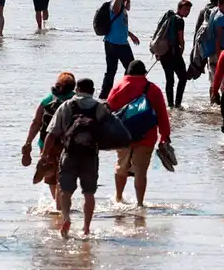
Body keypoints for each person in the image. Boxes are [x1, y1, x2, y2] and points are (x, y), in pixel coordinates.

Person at [41, 78, 110, 237]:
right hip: (90, 155)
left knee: (65, 191)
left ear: (77, 89)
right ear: (92, 90)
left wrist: (44, 155)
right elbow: (110, 132)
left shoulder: (66, 106)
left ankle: (66, 217)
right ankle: (86, 228)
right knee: (89, 193)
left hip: (70, 154)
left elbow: (51, 134)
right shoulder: (99, 107)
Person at [107, 61, 171, 208]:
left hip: (122, 136)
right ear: (144, 73)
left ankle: (118, 199)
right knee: (140, 171)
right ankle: (140, 204)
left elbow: (109, 110)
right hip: (146, 137)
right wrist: (164, 136)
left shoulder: (118, 86)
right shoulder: (153, 89)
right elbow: (162, 114)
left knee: (121, 167)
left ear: (128, 72)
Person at [21, 72, 76, 207]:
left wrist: (28, 142)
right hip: (69, 144)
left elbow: (36, 122)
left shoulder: (46, 100)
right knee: (65, 174)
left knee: (51, 177)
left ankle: (57, 203)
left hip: (46, 144)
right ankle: (61, 204)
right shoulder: (75, 101)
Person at [99, 0, 141, 99]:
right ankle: (110, 94)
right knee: (129, 69)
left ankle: (115, 93)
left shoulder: (122, 5)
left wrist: (131, 35)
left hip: (119, 42)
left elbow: (121, 24)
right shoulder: (116, 3)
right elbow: (115, 10)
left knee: (122, 69)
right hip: (115, 44)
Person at [156, 0, 192, 108]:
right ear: (179, 8)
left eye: (189, 10)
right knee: (183, 77)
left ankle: (170, 105)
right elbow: (181, 38)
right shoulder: (179, 20)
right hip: (173, 53)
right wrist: (182, 49)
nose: (187, 12)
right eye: (186, 9)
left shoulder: (169, 18)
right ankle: (178, 104)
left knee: (169, 79)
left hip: (163, 53)